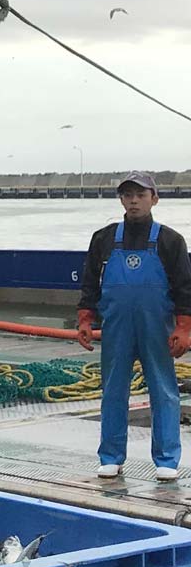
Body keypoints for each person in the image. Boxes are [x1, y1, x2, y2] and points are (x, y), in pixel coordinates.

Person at [78, 171, 191, 481]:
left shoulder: (171, 240)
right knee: (113, 390)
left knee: (164, 390)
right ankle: (111, 456)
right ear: (121, 200)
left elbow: (184, 289)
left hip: (156, 327)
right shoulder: (103, 239)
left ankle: (167, 459)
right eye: (128, 195)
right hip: (117, 328)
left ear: (154, 199)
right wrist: (85, 319)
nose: (133, 200)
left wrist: (183, 328)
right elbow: (90, 283)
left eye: (140, 195)